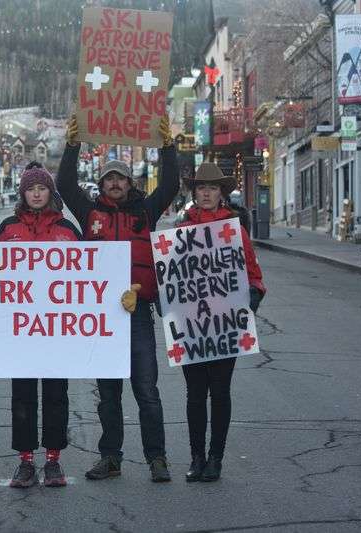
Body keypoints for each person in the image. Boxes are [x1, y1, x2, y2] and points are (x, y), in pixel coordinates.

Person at [57, 115, 179, 483]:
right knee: (108, 395)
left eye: (120, 178)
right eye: (109, 178)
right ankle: (110, 457)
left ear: (129, 183)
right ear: (103, 184)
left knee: (146, 390)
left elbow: (171, 184)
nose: (114, 183)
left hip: (138, 314)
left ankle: (157, 458)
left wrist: (168, 146)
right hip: (102, 317)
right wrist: (72, 144)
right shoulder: (88, 212)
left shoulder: (146, 211)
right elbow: (64, 183)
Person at [0, 162, 82, 488]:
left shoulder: (68, 230)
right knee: (23, 396)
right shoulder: (7, 229)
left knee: (57, 394)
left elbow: (90, 277)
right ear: (24, 193)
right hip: (20, 331)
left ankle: (53, 460)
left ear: (50, 192)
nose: (37, 193)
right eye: (31, 189)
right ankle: (26, 461)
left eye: (42, 188)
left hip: (58, 331)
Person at [176, 163, 266, 482]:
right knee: (194, 394)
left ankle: (216, 458)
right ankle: (196, 457)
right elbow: (171, 277)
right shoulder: (181, 229)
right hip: (190, 324)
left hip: (224, 323)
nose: (206, 193)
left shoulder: (234, 229)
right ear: (194, 192)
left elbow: (253, 274)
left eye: (212, 188)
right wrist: (164, 299)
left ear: (221, 194)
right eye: (201, 187)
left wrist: (252, 299)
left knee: (221, 392)